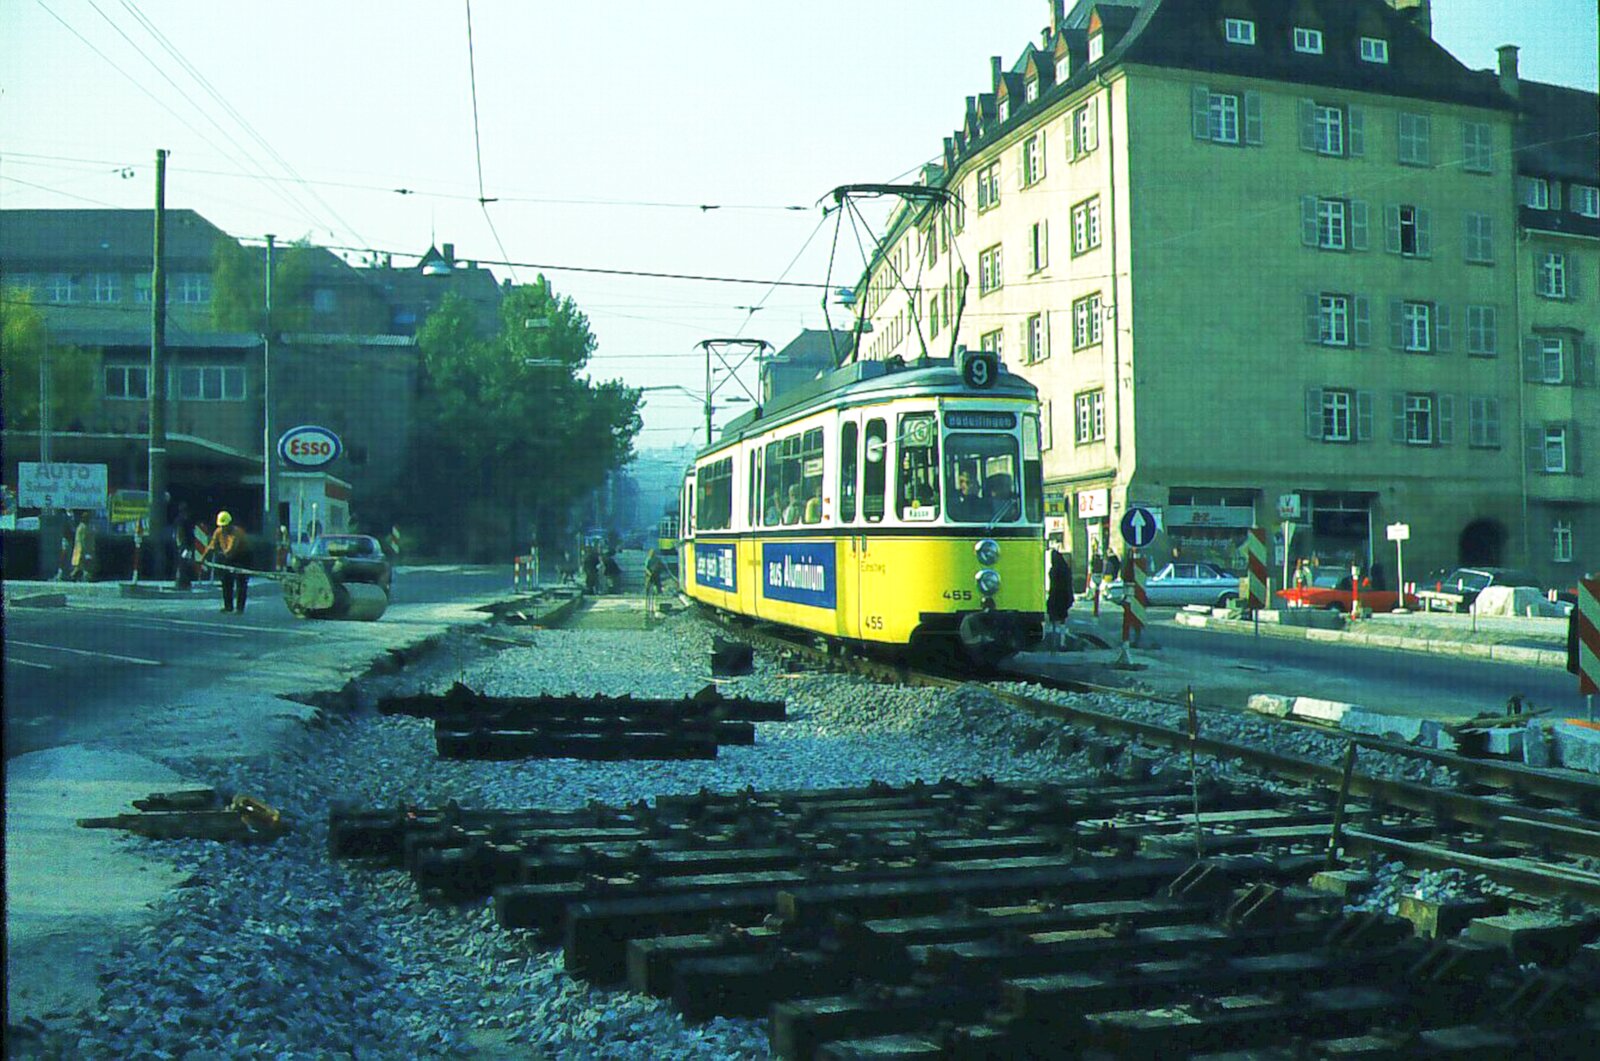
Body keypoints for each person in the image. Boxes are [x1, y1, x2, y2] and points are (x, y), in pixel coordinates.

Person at [200, 511, 251, 613]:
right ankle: (228, 606)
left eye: (225, 526)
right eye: (221, 526)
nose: (223, 528)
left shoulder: (236, 533)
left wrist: (222, 554)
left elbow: (231, 549)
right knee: (226, 581)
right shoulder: (218, 532)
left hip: (243, 556)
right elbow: (211, 546)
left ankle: (240, 608)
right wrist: (203, 558)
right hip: (228, 556)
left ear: (230, 524)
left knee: (241, 582)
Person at [1047, 550, 1075, 627]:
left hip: (1055, 594)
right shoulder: (1065, 568)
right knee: (1062, 612)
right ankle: (1062, 628)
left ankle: (1054, 628)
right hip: (1064, 594)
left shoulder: (1054, 569)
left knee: (1053, 610)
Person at [69, 512, 97, 582]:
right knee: (85, 565)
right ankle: (83, 577)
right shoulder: (82, 527)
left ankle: (77, 576)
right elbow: (81, 540)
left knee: (81, 565)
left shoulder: (86, 526)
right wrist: (83, 550)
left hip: (84, 549)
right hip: (82, 550)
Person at [643, 548, 667, 617]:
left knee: (657, 589)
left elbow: (663, 567)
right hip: (650, 576)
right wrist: (649, 573)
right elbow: (646, 568)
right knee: (648, 590)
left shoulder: (657, 559)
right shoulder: (648, 559)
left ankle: (656, 603)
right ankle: (648, 605)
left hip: (656, 576)